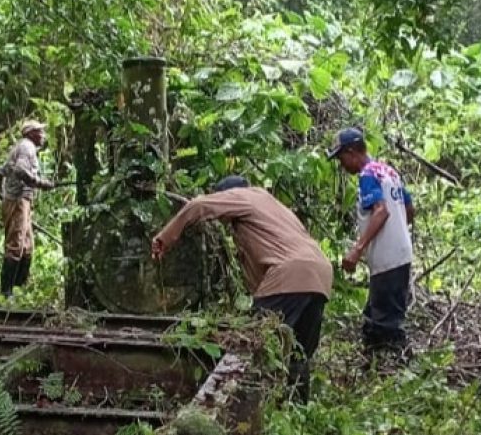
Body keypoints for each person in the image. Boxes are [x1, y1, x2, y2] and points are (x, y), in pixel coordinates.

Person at [150, 175, 333, 402]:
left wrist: (165, 237)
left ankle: (245, 405)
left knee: (254, 343)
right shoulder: (273, 206)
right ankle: (297, 407)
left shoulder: (244, 197)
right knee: (299, 352)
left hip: (290, 273)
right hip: (320, 274)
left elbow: (199, 205)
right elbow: (261, 275)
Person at [328, 128, 415, 356]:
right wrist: (399, 233)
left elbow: (381, 211)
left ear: (352, 152)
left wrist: (357, 250)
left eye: (341, 157)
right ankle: (376, 366)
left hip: (388, 258)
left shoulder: (367, 174)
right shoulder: (388, 171)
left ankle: (395, 370)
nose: (341, 164)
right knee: (377, 317)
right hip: (401, 253)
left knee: (386, 324)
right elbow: (409, 208)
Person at [0, 120, 54, 298]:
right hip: (19, 200)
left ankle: (20, 286)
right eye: (40, 132)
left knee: (27, 246)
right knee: (16, 244)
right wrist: (39, 183)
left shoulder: (20, 148)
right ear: (31, 134)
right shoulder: (27, 147)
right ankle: (7, 291)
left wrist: (0, 193)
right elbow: (20, 170)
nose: (43, 135)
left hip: (20, 200)